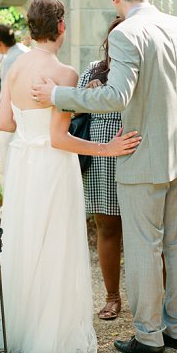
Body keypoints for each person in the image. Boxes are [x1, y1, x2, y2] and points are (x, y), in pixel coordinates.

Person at [32, 0, 177, 353]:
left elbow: (115, 97)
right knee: (176, 244)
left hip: (140, 156)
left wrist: (60, 95)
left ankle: (148, 336)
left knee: (145, 247)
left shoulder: (127, 32)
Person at [0, 0, 140, 353]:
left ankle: (23, 328)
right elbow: (60, 139)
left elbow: (4, 124)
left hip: (24, 163)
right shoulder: (65, 74)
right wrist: (108, 148)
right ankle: (49, 334)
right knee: (56, 242)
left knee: (26, 240)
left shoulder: (14, 68)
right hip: (54, 164)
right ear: (61, 27)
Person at [77, 16, 126, 321]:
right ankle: (112, 296)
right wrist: (92, 92)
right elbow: (74, 109)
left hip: (135, 150)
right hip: (100, 156)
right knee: (106, 228)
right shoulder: (94, 69)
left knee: (145, 232)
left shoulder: (141, 69)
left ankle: (155, 300)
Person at [0, 23, 29, 190]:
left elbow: (7, 91)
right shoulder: (25, 51)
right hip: (28, 113)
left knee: (7, 160)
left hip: (12, 115)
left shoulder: (10, 58)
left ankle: (7, 206)